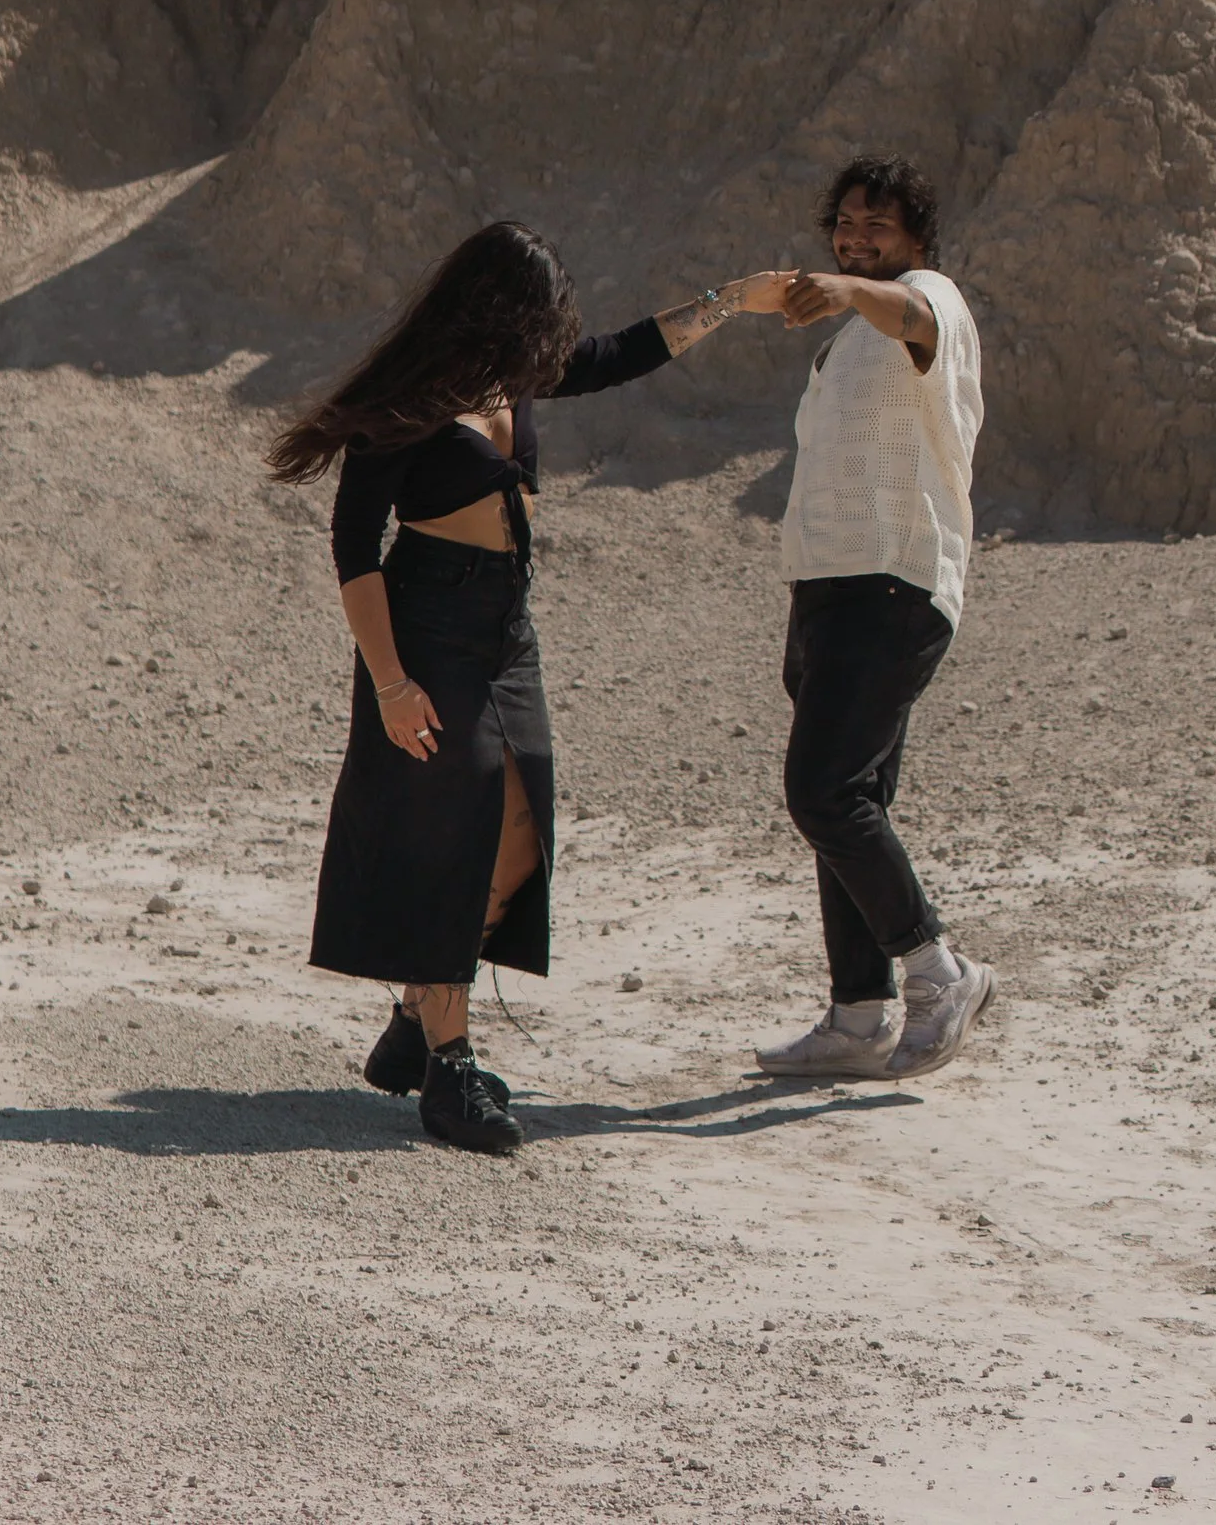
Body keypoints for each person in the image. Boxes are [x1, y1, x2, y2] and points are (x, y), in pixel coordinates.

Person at [266, 220, 784, 1155]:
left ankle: (419, 1014)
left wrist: (733, 299)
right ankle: (449, 1066)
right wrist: (390, 684)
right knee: (456, 833)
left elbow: (628, 351)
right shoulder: (411, 398)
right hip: (429, 628)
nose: (556, 336)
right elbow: (353, 546)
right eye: (543, 315)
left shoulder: (519, 373)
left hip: (507, 631)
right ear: (499, 308)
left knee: (519, 832)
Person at [750, 155, 993, 1081]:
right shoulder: (848, 332)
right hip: (828, 586)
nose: (856, 237)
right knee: (851, 806)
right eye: (846, 224)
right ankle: (858, 1014)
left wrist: (851, 285)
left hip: (893, 583)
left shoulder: (928, 297)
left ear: (917, 240)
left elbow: (915, 318)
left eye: (877, 227)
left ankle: (938, 971)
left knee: (825, 792)